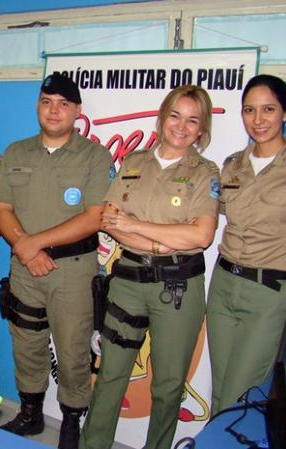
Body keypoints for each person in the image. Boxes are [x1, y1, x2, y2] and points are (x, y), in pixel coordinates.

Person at [79, 85, 219, 449]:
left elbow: (201, 236)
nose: (182, 126)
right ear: (162, 117)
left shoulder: (205, 171)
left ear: (202, 129)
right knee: (110, 375)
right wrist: (162, 240)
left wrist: (135, 227)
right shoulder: (134, 162)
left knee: (169, 384)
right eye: (175, 115)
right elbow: (109, 220)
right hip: (127, 282)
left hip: (177, 291)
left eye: (193, 120)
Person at [0, 73, 113, 449]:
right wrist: (25, 249)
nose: (54, 110)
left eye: (63, 104)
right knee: (26, 343)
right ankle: (30, 415)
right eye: (47, 102)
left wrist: (33, 245)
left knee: (74, 349)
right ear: (37, 106)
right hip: (25, 270)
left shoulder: (95, 156)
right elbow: (2, 208)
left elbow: (95, 217)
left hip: (72, 271)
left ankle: (70, 423)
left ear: (77, 111)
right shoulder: (16, 152)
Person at [207, 74, 286, 415]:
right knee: (220, 391)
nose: (258, 120)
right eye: (249, 110)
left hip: (268, 291)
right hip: (223, 285)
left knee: (238, 394)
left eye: (268, 109)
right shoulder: (232, 165)